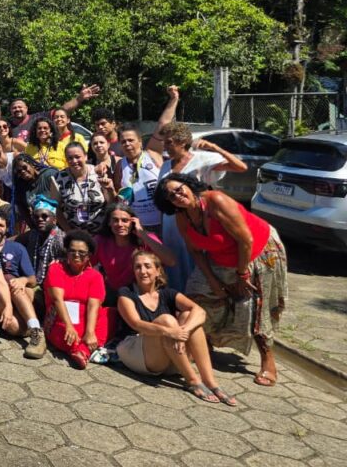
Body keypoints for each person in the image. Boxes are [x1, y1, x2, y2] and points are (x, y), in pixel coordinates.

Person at [154, 173, 288, 387]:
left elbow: (246, 240)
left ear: (188, 185)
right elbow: (196, 252)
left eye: (179, 189)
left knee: (252, 305)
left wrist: (242, 274)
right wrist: (214, 282)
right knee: (196, 294)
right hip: (222, 256)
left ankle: (267, 360)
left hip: (258, 252)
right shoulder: (182, 216)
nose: (178, 196)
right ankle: (203, 343)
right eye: (171, 196)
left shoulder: (216, 201)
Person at [117, 251, 237, 406]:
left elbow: (200, 311)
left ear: (158, 271)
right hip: (139, 354)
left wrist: (183, 331)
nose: (143, 271)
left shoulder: (168, 293)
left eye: (147, 266)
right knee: (167, 320)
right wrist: (170, 331)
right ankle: (193, 381)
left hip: (172, 356)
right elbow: (136, 324)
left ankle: (210, 381)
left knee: (189, 316)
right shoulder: (126, 293)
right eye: (138, 267)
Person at [157, 117, 248, 292]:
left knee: (196, 261)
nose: (165, 147)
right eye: (164, 143)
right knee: (175, 265)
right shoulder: (166, 165)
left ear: (182, 141)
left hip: (195, 222)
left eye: (169, 142)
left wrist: (214, 147)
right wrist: (162, 228)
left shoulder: (202, 159)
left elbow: (240, 167)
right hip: (171, 225)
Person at [44, 230, 116, 369]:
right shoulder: (56, 269)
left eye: (82, 252)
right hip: (60, 318)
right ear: (67, 252)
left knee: (110, 314)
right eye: (72, 251)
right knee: (68, 332)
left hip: (84, 319)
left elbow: (93, 306)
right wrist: (69, 326)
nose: (77, 255)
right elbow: (57, 300)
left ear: (89, 255)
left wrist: (90, 332)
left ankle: (82, 350)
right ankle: (83, 350)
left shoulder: (95, 276)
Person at [0, 208, 45, 357]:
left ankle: (36, 331)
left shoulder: (17, 248)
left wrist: (23, 279)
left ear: (6, 229)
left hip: (17, 295)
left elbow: (33, 279)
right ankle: (29, 322)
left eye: (1, 225)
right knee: (11, 325)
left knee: (12, 283)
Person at [94, 202, 175, 304]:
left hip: (144, 292)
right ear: (109, 223)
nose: (120, 224)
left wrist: (143, 234)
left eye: (125, 220)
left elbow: (171, 261)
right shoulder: (101, 241)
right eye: (115, 220)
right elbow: (85, 264)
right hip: (115, 293)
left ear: (132, 222)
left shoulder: (146, 239)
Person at [6, 85, 99, 147]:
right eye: (14, 108)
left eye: (20, 107)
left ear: (26, 108)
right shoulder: (6, 126)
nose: (17, 109)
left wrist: (79, 98)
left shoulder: (38, 118)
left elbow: (63, 110)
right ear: (10, 110)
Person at [53, 142, 114, 235]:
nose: (74, 161)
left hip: (100, 232)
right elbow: (57, 210)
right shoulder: (58, 178)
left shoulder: (98, 173)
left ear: (85, 156)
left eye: (77, 157)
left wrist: (110, 190)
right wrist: (69, 232)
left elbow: (111, 203)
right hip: (74, 233)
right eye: (70, 158)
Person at [115, 123, 165, 234]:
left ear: (140, 141)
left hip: (162, 222)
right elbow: (119, 194)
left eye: (130, 140)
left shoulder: (152, 155)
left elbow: (163, 124)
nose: (127, 144)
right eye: (123, 141)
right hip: (137, 226)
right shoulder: (120, 165)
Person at [15, 196, 66, 287]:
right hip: (35, 285)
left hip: (55, 287)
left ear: (54, 220)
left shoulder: (61, 239)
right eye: (36, 217)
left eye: (44, 216)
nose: (40, 219)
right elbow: (15, 241)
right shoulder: (34, 234)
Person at [11, 153, 59, 234]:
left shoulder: (49, 175)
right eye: (19, 171)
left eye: (24, 167)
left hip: (58, 222)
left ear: (31, 164)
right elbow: (24, 213)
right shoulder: (21, 189)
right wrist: (35, 230)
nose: (23, 171)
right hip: (41, 227)